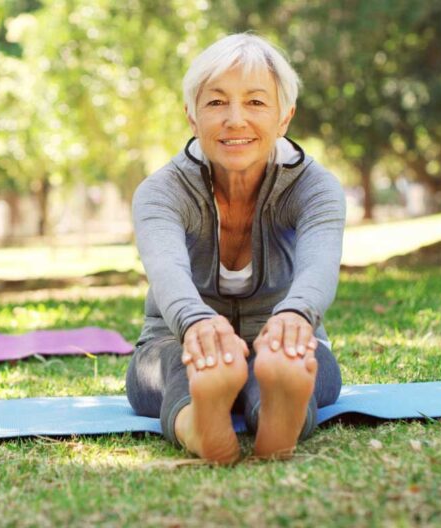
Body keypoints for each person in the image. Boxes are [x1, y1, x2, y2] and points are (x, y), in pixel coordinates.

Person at [126, 34, 345, 463]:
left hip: (285, 338)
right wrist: (196, 326)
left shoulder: (315, 187)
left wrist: (295, 316)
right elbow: (166, 270)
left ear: (285, 117)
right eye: (217, 103)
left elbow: (320, 264)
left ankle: (279, 415)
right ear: (192, 117)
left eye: (256, 103)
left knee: (306, 366)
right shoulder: (160, 193)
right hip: (176, 342)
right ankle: (201, 424)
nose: (235, 119)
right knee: (179, 367)